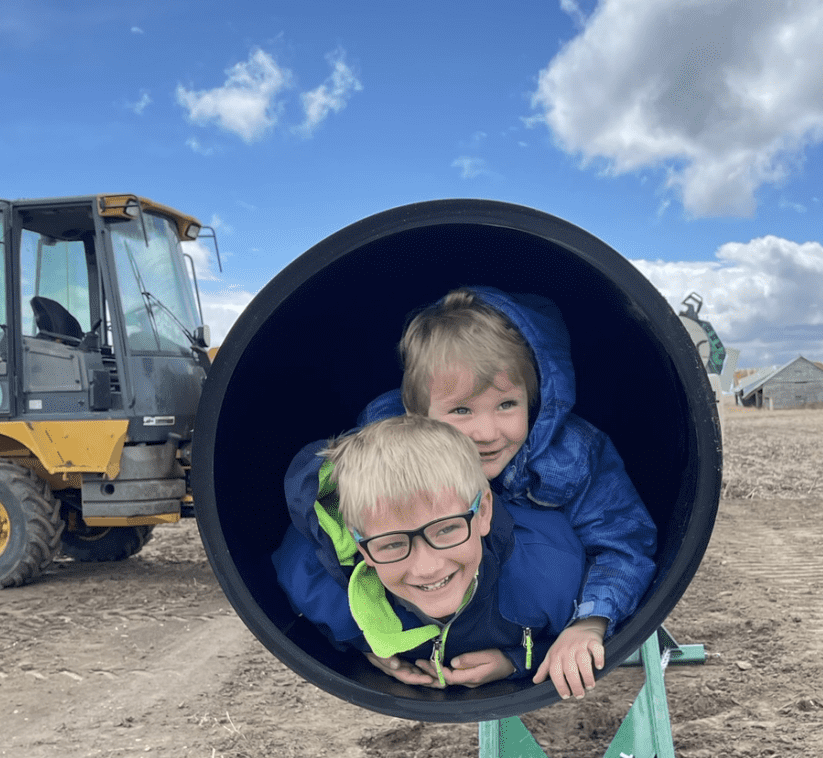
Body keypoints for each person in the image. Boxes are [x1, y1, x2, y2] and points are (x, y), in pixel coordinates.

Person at [356, 285, 657, 700]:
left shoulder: (574, 456)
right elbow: (366, 542)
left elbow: (623, 543)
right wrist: (374, 639)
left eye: (506, 405)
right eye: (461, 410)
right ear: (418, 414)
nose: (486, 433)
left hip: (530, 604)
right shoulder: (386, 449)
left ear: (534, 401)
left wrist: (588, 625)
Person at [273, 415, 591, 694]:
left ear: (483, 513)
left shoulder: (551, 574)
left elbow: (587, 635)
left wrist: (517, 662)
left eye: (446, 530)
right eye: (393, 544)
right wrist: (366, 648)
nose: (427, 567)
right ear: (361, 547)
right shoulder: (317, 589)